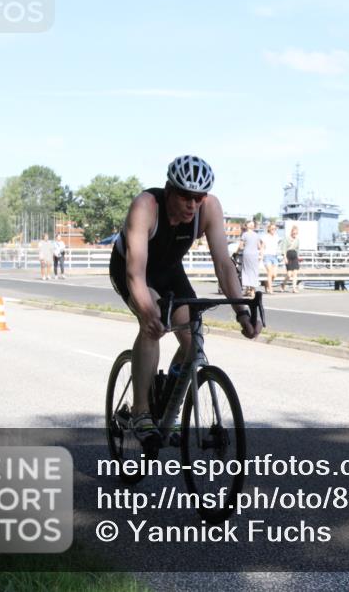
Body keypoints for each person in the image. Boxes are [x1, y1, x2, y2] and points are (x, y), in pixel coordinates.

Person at [110, 155, 262, 445]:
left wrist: (242, 311)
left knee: (193, 340)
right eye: (185, 196)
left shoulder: (209, 208)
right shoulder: (146, 206)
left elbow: (223, 264)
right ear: (169, 190)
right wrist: (148, 313)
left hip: (169, 271)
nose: (193, 204)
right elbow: (135, 275)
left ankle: (170, 406)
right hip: (133, 269)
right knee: (153, 323)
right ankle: (141, 411)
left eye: (199, 196)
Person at [238, 220, 263, 297]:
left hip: (247, 254)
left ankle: (247, 289)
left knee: (246, 271)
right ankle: (252, 290)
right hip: (255, 255)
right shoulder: (256, 235)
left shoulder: (244, 234)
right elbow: (259, 246)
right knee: (254, 271)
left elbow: (241, 246)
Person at [262, 223, 280, 295]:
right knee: (269, 273)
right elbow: (262, 247)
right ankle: (271, 289)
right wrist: (261, 256)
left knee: (274, 275)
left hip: (275, 256)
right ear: (269, 229)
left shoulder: (277, 237)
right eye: (272, 229)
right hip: (267, 256)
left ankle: (266, 283)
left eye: (275, 229)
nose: (273, 230)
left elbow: (278, 246)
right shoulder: (265, 237)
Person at [281, 225, 301, 293]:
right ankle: (283, 284)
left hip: (295, 256)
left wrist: (298, 257)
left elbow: (297, 249)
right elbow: (284, 248)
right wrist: (285, 257)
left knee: (295, 273)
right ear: (291, 232)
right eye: (294, 233)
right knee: (289, 274)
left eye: (296, 233)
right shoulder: (286, 239)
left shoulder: (297, 240)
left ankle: (294, 288)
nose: (295, 234)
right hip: (288, 255)